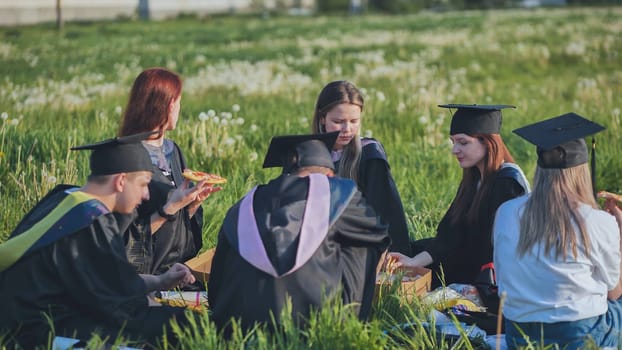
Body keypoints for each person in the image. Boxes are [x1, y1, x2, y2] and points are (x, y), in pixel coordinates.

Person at [0, 133, 196, 348]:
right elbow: (119, 305)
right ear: (121, 181)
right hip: (35, 332)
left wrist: (161, 281)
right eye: (143, 184)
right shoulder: (91, 222)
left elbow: (110, 281)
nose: (146, 195)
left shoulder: (64, 198)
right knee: (177, 329)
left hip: (22, 318)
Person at [208, 131, 390, 333]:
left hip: (237, 327)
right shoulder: (338, 192)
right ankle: (348, 325)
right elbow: (379, 237)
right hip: (313, 326)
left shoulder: (243, 205)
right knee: (367, 242)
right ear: (330, 174)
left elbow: (217, 279)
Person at [494, 113, 622, 349]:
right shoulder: (597, 221)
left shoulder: (506, 212)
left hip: (519, 335)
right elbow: (615, 292)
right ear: (581, 171)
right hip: (579, 335)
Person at [388, 104, 530, 300]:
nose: (455, 150)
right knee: (408, 250)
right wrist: (413, 261)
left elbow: (500, 249)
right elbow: (451, 233)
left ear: (487, 142)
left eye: (463, 142)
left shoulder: (507, 183)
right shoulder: (475, 178)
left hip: (489, 272)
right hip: (466, 257)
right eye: (453, 142)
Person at [119, 67, 220, 275]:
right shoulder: (126, 158)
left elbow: (179, 227)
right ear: (167, 104)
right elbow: (125, 239)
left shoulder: (172, 150)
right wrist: (171, 207)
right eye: (178, 102)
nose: (178, 109)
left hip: (180, 270)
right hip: (146, 275)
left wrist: (191, 205)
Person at [311, 80, 410, 255]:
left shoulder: (369, 155)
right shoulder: (307, 154)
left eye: (354, 121)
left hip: (359, 247)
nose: (347, 129)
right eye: (338, 121)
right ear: (322, 118)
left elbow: (387, 212)